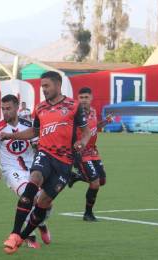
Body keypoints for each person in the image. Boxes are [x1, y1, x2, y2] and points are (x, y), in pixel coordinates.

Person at [0, 71, 91, 255]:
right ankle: (14, 233)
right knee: (34, 180)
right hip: (45, 154)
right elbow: (34, 132)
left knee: (43, 203)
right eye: (42, 86)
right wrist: (11, 135)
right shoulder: (40, 108)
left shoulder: (74, 106)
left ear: (58, 85)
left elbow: (86, 131)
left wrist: (82, 142)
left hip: (65, 163)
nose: (44, 89)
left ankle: (22, 237)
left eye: (47, 86)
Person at [0, 94, 51, 249]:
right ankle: (30, 237)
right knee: (28, 197)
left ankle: (41, 223)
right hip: (12, 171)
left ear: (17, 108)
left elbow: (38, 146)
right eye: (3, 109)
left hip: (33, 170)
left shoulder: (29, 125)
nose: (5, 112)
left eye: (8, 108)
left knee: (45, 202)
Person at [67, 87, 113, 221]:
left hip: (93, 151)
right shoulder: (74, 114)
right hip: (81, 153)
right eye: (81, 98)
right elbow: (67, 131)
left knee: (102, 180)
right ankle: (88, 213)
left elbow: (94, 127)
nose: (83, 100)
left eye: (86, 97)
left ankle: (75, 177)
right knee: (95, 183)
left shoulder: (93, 111)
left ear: (91, 98)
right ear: (77, 99)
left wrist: (105, 122)